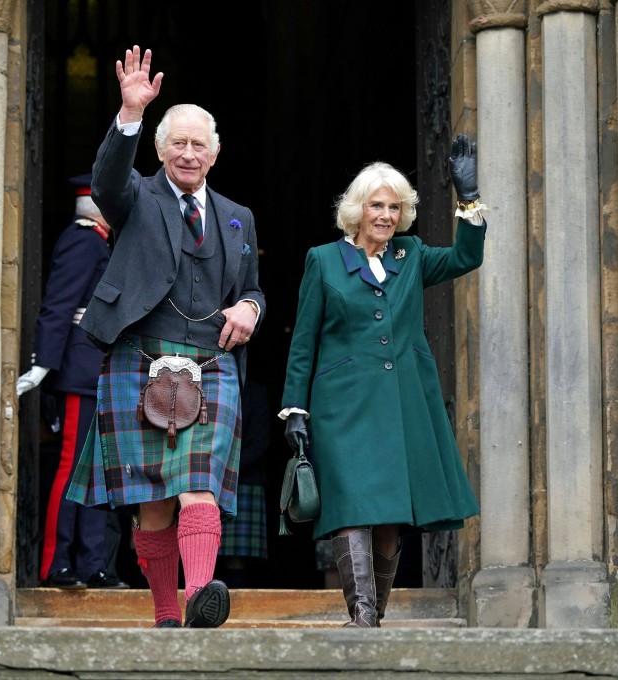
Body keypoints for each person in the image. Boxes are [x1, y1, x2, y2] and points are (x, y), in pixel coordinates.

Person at [64, 45, 265, 629]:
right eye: (177, 142)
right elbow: (106, 180)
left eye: (199, 143)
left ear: (216, 153)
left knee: (200, 485)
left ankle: (200, 595)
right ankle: (165, 614)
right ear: (159, 149)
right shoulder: (136, 197)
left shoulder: (237, 215)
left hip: (212, 362)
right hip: (140, 356)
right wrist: (130, 112)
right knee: (153, 503)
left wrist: (251, 306)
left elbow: (253, 286)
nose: (188, 152)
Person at [279, 135, 485, 628]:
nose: (386, 215)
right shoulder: (323, 260)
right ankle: (362, 616)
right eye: (377, 205)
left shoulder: (410, 256)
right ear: (357, 209)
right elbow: (304, 340)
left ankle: (376, 618)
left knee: (390, 516)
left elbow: (465, 259)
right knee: (350, 506)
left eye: (395, 207)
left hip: (400, 405)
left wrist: (470, 199)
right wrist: (294, 409)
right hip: (342, 408)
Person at [16, 175, 128, 590]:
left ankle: (91, 562)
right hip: (80, 372)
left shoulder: (100, 243)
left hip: (98, 370)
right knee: (71, 471)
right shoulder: (84, 241)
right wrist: (43, 364)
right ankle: (56, 563)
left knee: (98, 473)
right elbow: (59, 305)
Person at [216, 378, 270, 587]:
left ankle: (237, 608)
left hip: (244, 480)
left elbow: (260, 442)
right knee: (202, 547)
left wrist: (224, 467)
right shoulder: (210, 385)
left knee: (236, 558)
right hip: (209, 478)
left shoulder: (255, 393)